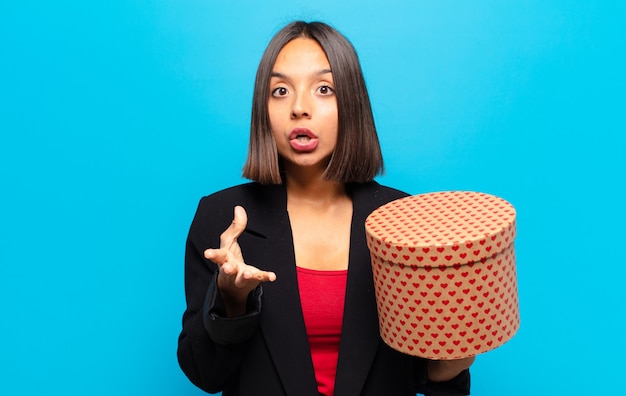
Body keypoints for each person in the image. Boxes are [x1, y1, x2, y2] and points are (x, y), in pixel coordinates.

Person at [177, 21, 474, 396]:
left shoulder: (405, 221)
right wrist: (232, 300)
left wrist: (451, 364)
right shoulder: (221, 218)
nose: (300, 108)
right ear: (262, 109)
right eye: (280, 91)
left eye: (324, 89)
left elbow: (421, 373)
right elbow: (203, 374)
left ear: (351, 102)